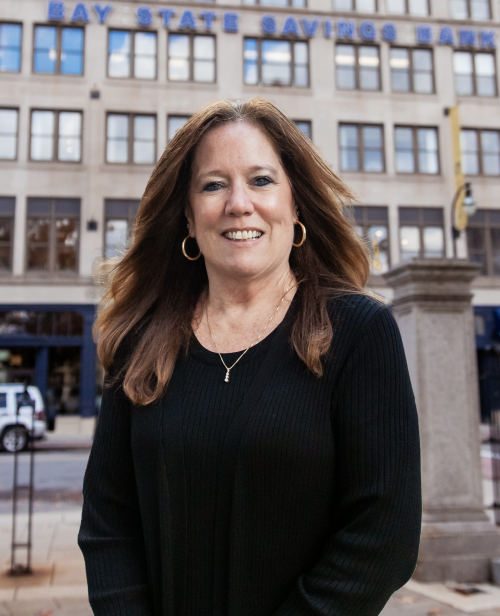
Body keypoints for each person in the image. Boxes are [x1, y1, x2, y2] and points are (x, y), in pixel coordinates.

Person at [78, 98, 421, 616]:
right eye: (213, 184)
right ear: (188, 219)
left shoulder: (359, 332)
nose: (239, 203)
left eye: (261, 180)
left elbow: (384, 534)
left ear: (295, 204)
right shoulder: (141, 340)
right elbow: (108, 519)